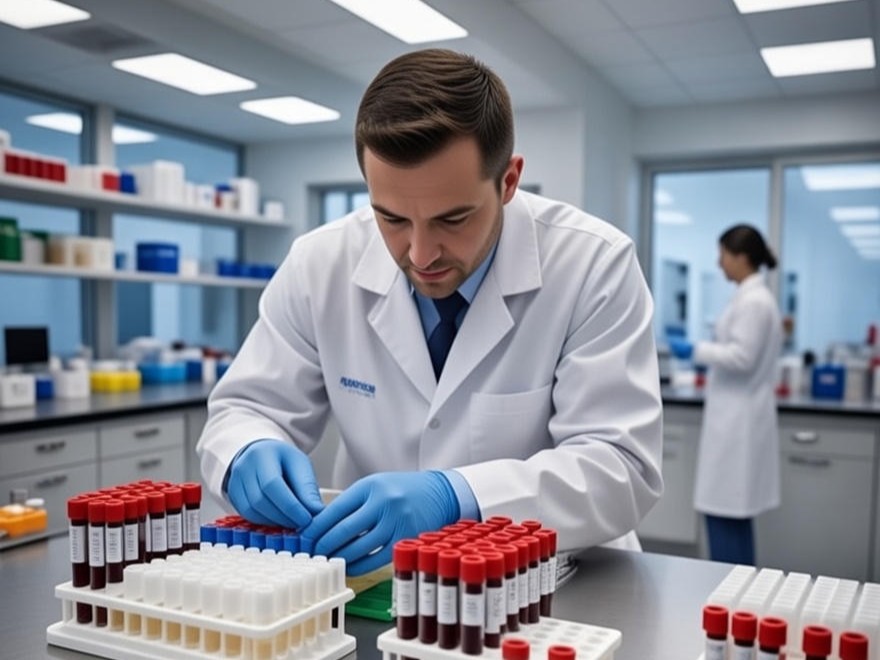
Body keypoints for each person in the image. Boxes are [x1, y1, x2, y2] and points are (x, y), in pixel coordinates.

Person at [197, 48, 663, 576]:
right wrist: (247, 450)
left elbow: (620, 467)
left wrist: (457, 495)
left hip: (560, 583)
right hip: (380, 581)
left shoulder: (592, 263)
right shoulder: (319, 262)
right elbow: (245, 408)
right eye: (392, 218)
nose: (420, 255)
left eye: (453, 218)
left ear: (508, 182)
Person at [669, 224, 782, 565]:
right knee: (730, 513)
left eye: (723, 256)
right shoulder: (752, 298)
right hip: (737, 416)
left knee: (726, 513)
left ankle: (733, 600)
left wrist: (696, 351)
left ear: (742, 257)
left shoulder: (754, 302)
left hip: (738, 424)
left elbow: (742, 358)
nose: (720, 264)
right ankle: (737, 596)